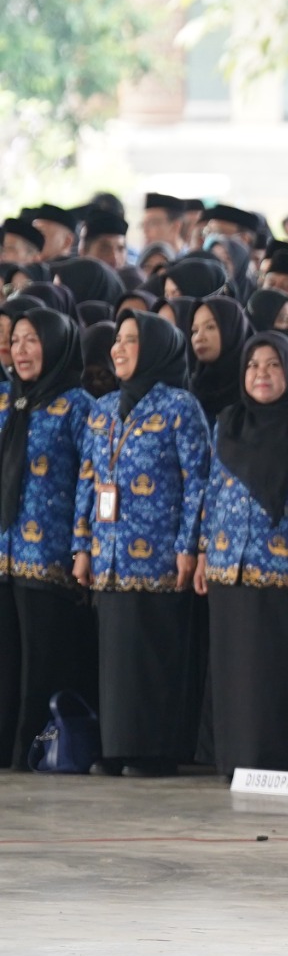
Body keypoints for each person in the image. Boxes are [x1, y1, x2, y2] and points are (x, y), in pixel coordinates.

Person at [76, 313, 209, 777]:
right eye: (117, 340)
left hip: (159, 554)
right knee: (116, 657)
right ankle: (117, 747)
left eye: (130, 341)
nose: (118, 349)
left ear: (155, 348)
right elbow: (88, 480)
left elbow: (197, 482)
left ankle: (155, 751)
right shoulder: (103, 409)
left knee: (154, 653)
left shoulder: (180, 407)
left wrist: (188, 545)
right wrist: (81, 546)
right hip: (108, 553)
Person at [199, 333, 288, 775]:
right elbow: (213, 490)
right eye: (253, 365)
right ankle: (238, 760)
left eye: (273, 364)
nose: (262, 374)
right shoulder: (229, 421)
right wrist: (203, 550)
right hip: (231, 564)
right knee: (237, 672)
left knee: (283, 670)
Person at [0, 308, 92, 763]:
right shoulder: (5, 402)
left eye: (32, 340)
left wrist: (82, 546)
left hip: (49, 558)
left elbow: (89, 480)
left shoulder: (77, 405)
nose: (21, 350)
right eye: (16, 340)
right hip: (3, 554)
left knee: (40, 664)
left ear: (54, 346)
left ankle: (31, 752)